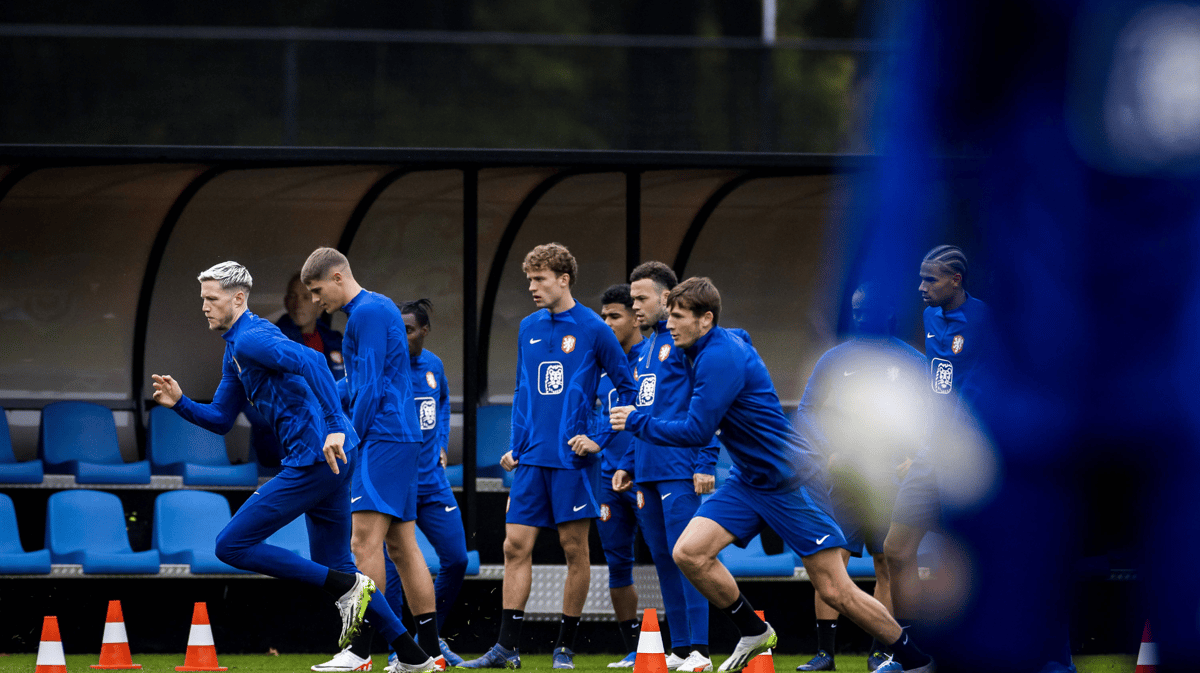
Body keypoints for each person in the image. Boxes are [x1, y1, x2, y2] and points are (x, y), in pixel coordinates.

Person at [611, 277, 932, 673]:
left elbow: (696, 430)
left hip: (791, 482)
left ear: (705, 319)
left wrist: (636, 421)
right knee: (688, 553)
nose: (670, 324)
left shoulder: (719, 358)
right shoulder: (705, 347)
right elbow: (737, 340)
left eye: (678, 317)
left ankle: (915, 659)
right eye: (670, 316)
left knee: (836, 590)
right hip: (749, 480)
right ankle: (754, 631)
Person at [150, 261, 432, 673]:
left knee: (231, 545)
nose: (205, 307)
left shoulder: (252, 339)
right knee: (337, 564)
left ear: (238, 298)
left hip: (316, 459)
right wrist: (181, 403)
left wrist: (334, 426)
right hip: (328, 458)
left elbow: (315, 363)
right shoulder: (235, 349)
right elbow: (222, 418)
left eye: (212, 299)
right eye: (203, 299)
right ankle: (413, 655)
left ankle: (349, 589)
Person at [461, 243, 637, 670]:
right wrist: (516, 445)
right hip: (532, 460)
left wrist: (598, 438)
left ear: (564, 279)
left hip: (573, 463)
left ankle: (565, 648)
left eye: (539, 279)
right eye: (529, 280)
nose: (532, 287)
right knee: (514, 546)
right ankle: (506, 649)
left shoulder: (594, 329)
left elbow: (628, 390)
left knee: (574, 549)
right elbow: (524, 389)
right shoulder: (528, 327)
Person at [301, 248, 441, 670]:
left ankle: (360, 651)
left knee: (362, 543)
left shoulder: (367, 313)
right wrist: (321, 400)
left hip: (384, 437)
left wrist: (348, 435)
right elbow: (359, 381)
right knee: (402, 546)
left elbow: (373, 386)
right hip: (399, 437)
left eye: (317, 290)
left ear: (338, 277)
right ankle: (430, 653)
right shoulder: (373, 310)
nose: (315, 301)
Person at [793, 283, 929, 672]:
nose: (861, 318)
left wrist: (915, 458)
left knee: (887, 561)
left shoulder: (913, 361)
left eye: (868, 311)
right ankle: (825, 653)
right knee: (831, 561)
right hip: (844, 479)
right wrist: (828, 451)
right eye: (856, 311)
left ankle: (881, 651)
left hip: (893, 483)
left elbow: (934, 416)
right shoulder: (834, 358)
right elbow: (806, 411)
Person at [882, 246, 994, 655]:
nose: (921, 287)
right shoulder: (930, 317)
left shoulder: (985, 320)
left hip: (968, 456)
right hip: (929, 454)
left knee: (974, 559)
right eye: (920, 277)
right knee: (896, 550)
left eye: (930, 279)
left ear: (955, 280)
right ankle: (911, 654)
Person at [612, 261, 717, 672]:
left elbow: (708, 406)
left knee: (688, 557)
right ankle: (681, 647)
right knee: (663, 559)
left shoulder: (687, 344)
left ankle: (701, 650)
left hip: (680, 467)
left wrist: (706, 461)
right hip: (647, 469)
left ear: (666, 297)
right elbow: (644, 411)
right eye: (632, 299)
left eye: (641, 298)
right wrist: (627, 462)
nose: (635, 306)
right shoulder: (645, 349)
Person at [590, 284, 646, 669]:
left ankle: (689, 645)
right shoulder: (601, 366)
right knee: (618, 564)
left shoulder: (655, 360)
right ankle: (635, 649)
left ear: (635, 318)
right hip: (608, 478)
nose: (607, 323)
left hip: (647, 474)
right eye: (604, 316)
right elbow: (595, 418)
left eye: (615, 316)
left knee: (673, 556)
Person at [278, 271, 346, 379]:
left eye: (306, 297)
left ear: (321, 305)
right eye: (292, 296)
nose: (298, 304)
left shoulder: (335, 341)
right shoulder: (272, 342)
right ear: (286, 302)